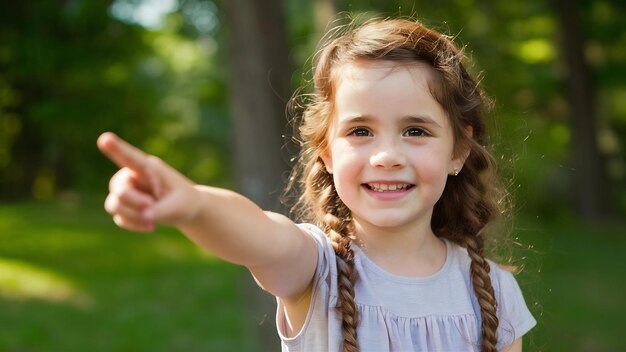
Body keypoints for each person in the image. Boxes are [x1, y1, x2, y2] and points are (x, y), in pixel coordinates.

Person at [98, 17, 536, 352]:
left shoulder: (494, 292)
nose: (386, 156)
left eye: (415, 131)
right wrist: (194, 204)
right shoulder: (316, 268)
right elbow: (260, 235)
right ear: (326, 150)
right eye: (360, 131)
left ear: (458, 151)